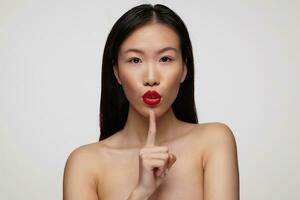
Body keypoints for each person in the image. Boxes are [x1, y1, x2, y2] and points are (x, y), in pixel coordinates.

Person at [63, 3, 239, 200]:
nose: (151, 77)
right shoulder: (84, 164)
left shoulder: (213, 141)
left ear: (184, 69)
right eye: (135, 60)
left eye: (165, 59)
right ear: (116, 72)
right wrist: (141, 192)